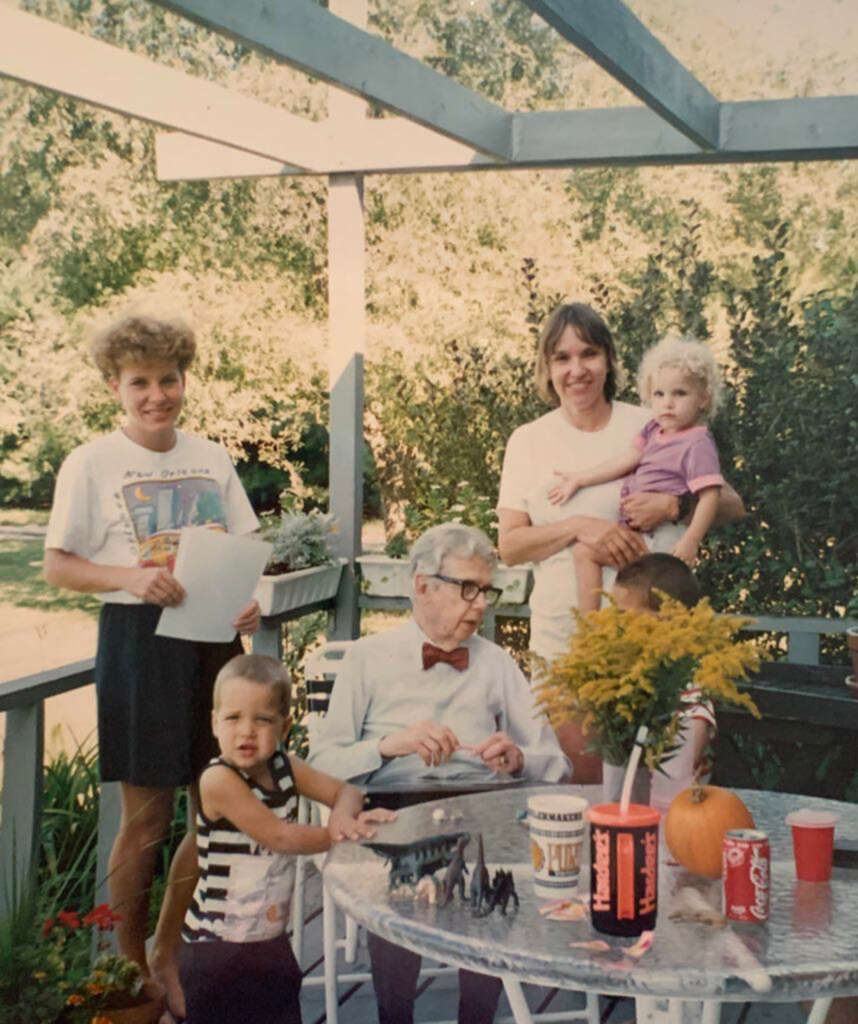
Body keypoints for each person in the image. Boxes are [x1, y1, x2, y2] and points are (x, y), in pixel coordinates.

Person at [43, 312, 262, 1019]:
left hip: (212, 643)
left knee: (219, 811)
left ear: (184, 379)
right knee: (144, 821)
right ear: (115, 385)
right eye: (140, 382)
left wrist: (247, 603)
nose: (157, 395)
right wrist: (131, 577)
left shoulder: (212, 457)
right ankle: (128, 971)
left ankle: (169, 950)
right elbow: (57, 566)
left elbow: (243, 547)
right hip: (139, 638)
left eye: (169, 379)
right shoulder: (92, 463)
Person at [309, 522, 569, 1024]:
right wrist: (388, 746)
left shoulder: (496, 664)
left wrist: (518, 758)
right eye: (467, 588)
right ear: (422, 585)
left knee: (494, 871)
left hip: (481, 804)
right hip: (394, 803)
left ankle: (477, 1018)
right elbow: (321, 762)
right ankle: (395, 1017)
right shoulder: (367, 659)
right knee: (402, 871)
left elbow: (554, 762)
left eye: (486, 591)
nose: (479, 605)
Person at [497, 302, 744, 780]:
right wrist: (578, 527)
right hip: (568, 648)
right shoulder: (528, 441)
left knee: (664, 796)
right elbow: (511, 546)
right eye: (562, 358)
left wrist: (674, 506)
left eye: (588, 354)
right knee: (584, 790)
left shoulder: (652, 420)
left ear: (608, 360)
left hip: (657, 644)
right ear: (547, 369)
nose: (576, 370)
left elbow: (730, 503)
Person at [179, 653, 393, 1024]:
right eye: (233, 718)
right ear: (214, 724)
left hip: (269, 939)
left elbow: (347, 792)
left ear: (285, 726)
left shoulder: (285, 767)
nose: (247, 731)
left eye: (263, 719)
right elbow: (280, 836)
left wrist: (344, 817)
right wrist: (341, 835)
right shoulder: (218, 779)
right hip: (215, 949)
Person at [549, 336, 725, 612]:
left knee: (652, 598)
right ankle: (591, 628)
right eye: (659, 394)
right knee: (585, 552)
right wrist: (580, 478)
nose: (667, 403)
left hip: (666, 534)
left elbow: (711, 495)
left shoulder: (697, 441)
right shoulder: (653, 430)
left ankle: (647, 645)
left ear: (703, 398)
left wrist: (691, 539)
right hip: (636, 532)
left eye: (680, 394)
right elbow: (627, 460)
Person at [610, 553, 715, 812]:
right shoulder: (623, 678)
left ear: (672, 622)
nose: (614, 626)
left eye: (626, 617)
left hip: (675, 822)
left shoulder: (690, 692)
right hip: (624, 814)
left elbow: (678, 775)